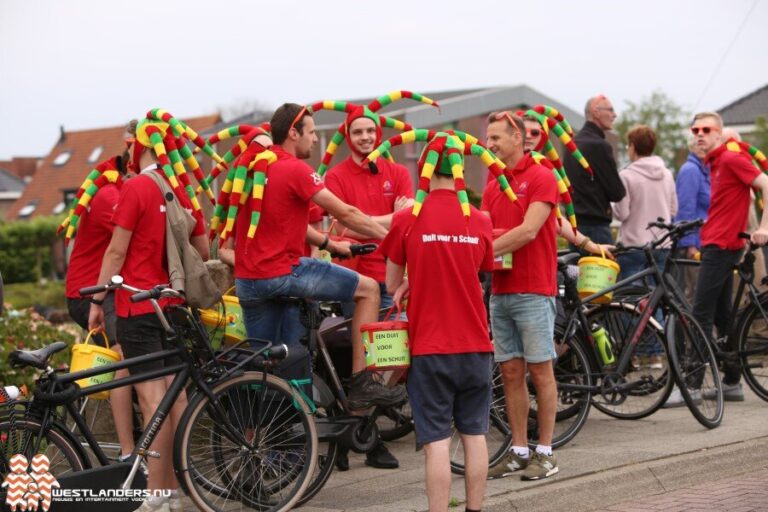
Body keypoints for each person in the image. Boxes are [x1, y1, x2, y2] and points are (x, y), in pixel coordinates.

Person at [232, 103, 405, 415]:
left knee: (268, 370)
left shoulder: (254, 167)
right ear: (293, 133)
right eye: (311, 133)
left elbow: (279, 222)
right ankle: (361, 382)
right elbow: (347, 214)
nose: (314, 140)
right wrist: (392, 240)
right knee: (368, 289)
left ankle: (269, 446)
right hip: (283, 273)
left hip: (249, 283)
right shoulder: (295, 168)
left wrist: (328, 243)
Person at [89, 117, 210, 511]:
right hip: (172, 303)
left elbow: (116, 251)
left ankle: (155, 496)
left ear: (139, 149)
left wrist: (96, 300)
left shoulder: (137, 186)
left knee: (153, 401)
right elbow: (203, 252)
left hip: (137, 304)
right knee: (176, 400)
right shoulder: (178, 187)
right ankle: (172, 491)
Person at [382, 135, 494, 512]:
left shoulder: (406, 219)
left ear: (424, 170)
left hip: (430, 348)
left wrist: (412, 280)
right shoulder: (479, 220)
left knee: (437, 443)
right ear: (460, 171)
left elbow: (390, 284)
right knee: (476, 435)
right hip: (477, 345)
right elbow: (475, 271)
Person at [323, 107, 414, 470]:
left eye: (370, 131)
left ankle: (365, 437)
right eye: (358, 132)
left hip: (391, 276)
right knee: (358, 365)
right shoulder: (336, 175)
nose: (365, 137)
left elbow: (405, 219)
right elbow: (341, 229)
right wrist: (385, 220)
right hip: (354, 280)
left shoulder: (398, 172)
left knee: (385, 361)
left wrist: (360, 219)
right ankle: (353, 442)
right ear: (348, 136)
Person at [483, 112, 560, 481]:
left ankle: (545, 452)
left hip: (534, 289)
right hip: (501, 290)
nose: (490, 144)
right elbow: (483, 228)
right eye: (488, 138)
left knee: (541, 371)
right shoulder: (493, 182)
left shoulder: (543, 176)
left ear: (518, 137)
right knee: (510, 372)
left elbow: (529, 231)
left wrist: (478, 253)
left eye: (497, 138)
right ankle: (518, 449)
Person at [64, 121, 137, 464]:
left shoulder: (125, 185)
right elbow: (133, 241)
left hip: (111, 288)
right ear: (131, 147)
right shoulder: (109, 192)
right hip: (90, 292)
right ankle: (127, 451)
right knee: (124, 352)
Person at [687, 112, 768, 403]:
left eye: (706, 129)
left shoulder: (731, 159)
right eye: (695, 129)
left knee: (700, 314)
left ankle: (691, 385)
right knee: (722, 315)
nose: (699, 134)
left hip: (721, 246)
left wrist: (763, 227)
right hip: (716, 242)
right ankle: (732, 381)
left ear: (719, 134)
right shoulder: (714, 163)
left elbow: (766, 182)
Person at [612, 125, 677, 281]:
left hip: (634, 246)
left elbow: (622, 213)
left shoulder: (626, 175)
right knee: (658, 297)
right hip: (662, 244)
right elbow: (673, 210)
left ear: (633, 146)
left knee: (634, 299)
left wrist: (610, 206)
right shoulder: (667, 174)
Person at [563, 95, 626, 247]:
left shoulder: (572, 145)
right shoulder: (599, 146)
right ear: (595, 112)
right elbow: (617, 192)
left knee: (576, 270)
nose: (614, 115)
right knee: (601, 270)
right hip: (596, 228)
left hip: (574, 229)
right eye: (610, 110)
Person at [672, 141, 710, 302]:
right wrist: (689, 244)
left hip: (704, 240)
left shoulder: (705, 170)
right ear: (690, 147)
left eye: (704, 144)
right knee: (692, 295)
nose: (702, 147)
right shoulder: (691, 171)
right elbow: (685, 208)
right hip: (694, 245)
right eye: (697, 144)